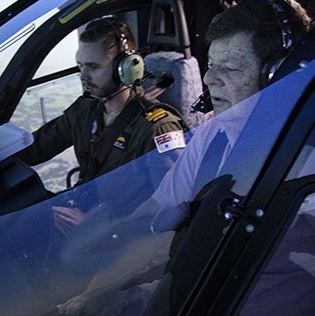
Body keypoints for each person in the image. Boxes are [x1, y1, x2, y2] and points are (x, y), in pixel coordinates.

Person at [0, 0, 314, 316]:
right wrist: (91, 300)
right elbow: (153, 219)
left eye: (231, 68)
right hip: (188, 293)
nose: (209, 81)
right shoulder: (207, 138)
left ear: (280, 73)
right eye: (210, 65)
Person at [16, 18, 188, 233]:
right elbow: (35, 150)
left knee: (65, 258)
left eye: (93, 67)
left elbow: (171, 207)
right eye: (80, 66)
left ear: (126, 69)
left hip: (124, 231)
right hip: (88, 209)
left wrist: (99, 228)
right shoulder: (85, 110)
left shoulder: (157, 127)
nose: (83, 76)